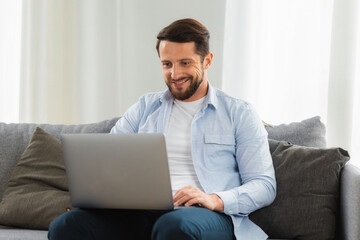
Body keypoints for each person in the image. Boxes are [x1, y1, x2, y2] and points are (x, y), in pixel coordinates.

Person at [48, 18, 276, 240]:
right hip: (142, 212)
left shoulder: (239, 113)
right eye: (167, 64)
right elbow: (107, 161)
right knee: (66, 225)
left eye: (185, 63)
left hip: (208, 214)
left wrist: (214, 199)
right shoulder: (145, 107)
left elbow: (264, 185)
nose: (175, 74)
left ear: (207, 61)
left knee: (173, 227)